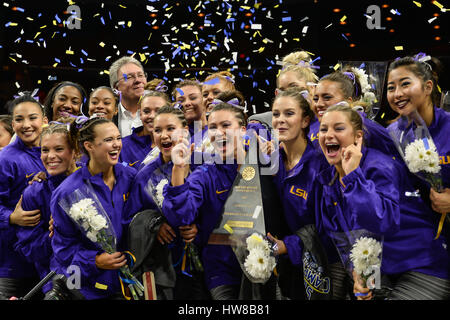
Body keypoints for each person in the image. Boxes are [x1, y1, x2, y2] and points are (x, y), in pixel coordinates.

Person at [316, 104, 449, 300]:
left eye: (339, 128)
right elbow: (349, 240)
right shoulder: (328, 180)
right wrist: (361, 277)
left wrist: (353, 176)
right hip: (385, 272)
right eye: (323, 129)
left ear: (358, 137)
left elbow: (382, 221)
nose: (328, 134)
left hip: (423, 266)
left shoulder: (380, 166)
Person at [125, 106, 209, 300]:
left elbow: (218, 209)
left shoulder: (203, 165)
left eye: (170, 128)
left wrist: (199, 227)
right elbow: (130, 219)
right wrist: (154, 225)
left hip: (206, 259)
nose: (164, 135)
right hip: (164, 266)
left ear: (185, 131)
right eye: (157, 130)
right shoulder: (144, 176)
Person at [50, 117, 137, 299]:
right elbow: (63, 250)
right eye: (108, 140)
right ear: (89, 146)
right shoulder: (67, 192)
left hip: (132, 282)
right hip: (91, 289)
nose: (117, 145)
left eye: (118, 138)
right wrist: (95, 261)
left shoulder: (130, 177)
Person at [267, 88, 331, 299]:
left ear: (305, 121)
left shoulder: (322, 165)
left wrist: (289, 245)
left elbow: (327, 225)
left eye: (289, 114)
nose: (280, 120)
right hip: (281, 266)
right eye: (276, 114)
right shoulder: (270, 161)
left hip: (320, 266)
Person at [14, 119, 78, 295]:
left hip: (98, 276)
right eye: (45, 150)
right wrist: (57, 235)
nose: (50, 156)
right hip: (55, 282)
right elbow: (28, 249)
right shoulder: (34, 192)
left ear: (75, 151)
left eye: (58, 149)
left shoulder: (93, 180)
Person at [0, 93, 48, 298]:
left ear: (44, 120)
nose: (26, 124)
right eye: (19, 119)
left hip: (47, 262)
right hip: (12, 264)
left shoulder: (55, 153)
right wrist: (10, 217)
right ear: (13, 123)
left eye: (32, 117)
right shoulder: (5, 159)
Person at [311, 67, 398, 159]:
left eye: (327, 97)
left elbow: (394, 162)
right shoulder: (314, 127)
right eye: (316, 99)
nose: (319, 104)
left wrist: (355, 172)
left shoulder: (368, 128)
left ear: (348, 101)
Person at [119, 90, 171, 168]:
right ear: (140, 114)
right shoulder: (122, 146)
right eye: (146, 111)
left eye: (159, 111)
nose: (152, 116)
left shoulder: (176, 144)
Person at [109, 56, 148, 137]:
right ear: (116, 87)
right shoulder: (109, 116)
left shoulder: (159, 112)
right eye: (129, 77)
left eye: (140, 75)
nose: (138, 80)